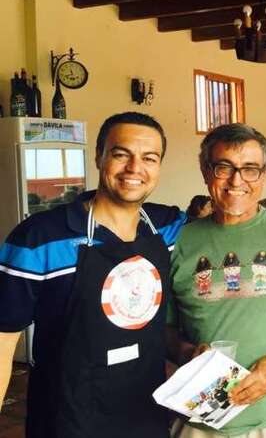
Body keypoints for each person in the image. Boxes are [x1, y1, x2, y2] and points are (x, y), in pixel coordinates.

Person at [0, 112, 186, 438]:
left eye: (149, 158)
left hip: (147, 416)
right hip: (68, 420)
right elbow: (3, 338)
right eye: (121, 154)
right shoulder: (39, 238)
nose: (134, 168)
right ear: (99, 157)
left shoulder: (169, 228)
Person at [167, 123, 266, 438]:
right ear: (205, 171)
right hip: (202, 417)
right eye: (223, 167)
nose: (236, 180)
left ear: (264, 175)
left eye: (250, 169)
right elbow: (164, 328)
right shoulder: (180, 242)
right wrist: (186, 353)